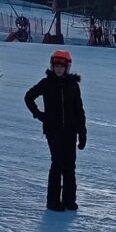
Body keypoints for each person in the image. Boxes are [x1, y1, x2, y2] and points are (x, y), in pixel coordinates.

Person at [25, 49, 87, 211]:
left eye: (62, 66)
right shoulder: (47, 83)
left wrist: (82, 132)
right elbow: (29, 97)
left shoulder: (73, 85)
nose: (59, 69)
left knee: (70, 165)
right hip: (53, 131)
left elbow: (79, 110)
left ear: (67, 67)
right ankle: (52, 201)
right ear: (52, 66)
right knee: (57, 164)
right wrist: (39, 114)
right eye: (56, 66)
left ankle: (69, 199)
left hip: (70, 131)